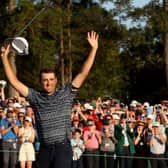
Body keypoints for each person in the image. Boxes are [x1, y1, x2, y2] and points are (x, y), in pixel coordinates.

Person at [1, 31, 98, 168]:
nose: (48, 83)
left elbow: (84, 73)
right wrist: (4, 57)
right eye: (45, 80)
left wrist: (93, 49)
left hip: (62, 150)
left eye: (51, 79)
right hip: (45, 150)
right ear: (40, 82)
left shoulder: (66, 93)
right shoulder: (35, 97)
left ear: (56, 80)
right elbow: (13, 81)